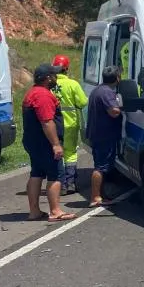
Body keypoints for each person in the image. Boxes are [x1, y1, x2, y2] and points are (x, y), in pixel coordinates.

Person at [23, 64, 76, 222]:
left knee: (36, 173)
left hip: (33, 141)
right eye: (54, 75)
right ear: (47, 78)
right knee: (56, 175)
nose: (56, 78)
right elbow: (47, 122)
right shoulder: (43, 96)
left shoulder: (32, 92)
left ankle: (34, 212)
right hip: (45, 143)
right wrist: (55, 144)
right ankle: (55, 211)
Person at [86, 65, 123, 208]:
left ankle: (101, 195)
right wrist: (120, 107)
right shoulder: (107, 93)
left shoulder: (98, 90)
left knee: (102, 165)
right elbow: (113, 111)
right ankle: (95, 197)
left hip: (97, 134)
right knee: (100, 167)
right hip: (104, 136)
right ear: (117, 78)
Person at [52, 54, 88, 195]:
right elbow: (83, 102)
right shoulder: (72, 84)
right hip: (70, 123)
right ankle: (70, 182)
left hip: (53, 125)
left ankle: (59, 184)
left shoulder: (49, 83)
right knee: (70, 153)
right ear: (66, 69)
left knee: (56, 153)